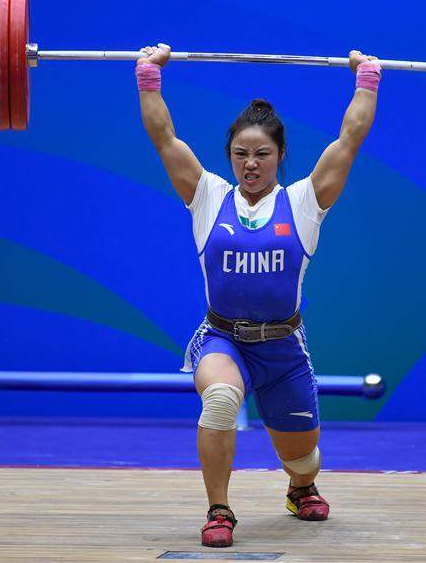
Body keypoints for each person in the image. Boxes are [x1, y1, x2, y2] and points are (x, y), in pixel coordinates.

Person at [136, 43, 380, 547]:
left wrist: (367, 79)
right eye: (241, 154)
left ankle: (300, 486)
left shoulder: (304, 202)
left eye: (262, 154)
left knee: (302, 457)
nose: (250, 164)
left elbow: (349, 140)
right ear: (229, 156)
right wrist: (148, 75)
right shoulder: (207, 196)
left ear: (280, 155)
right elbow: (164, 138)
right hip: (222, 339)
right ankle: (219, 511)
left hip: (283, 351)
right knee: (221, 400)